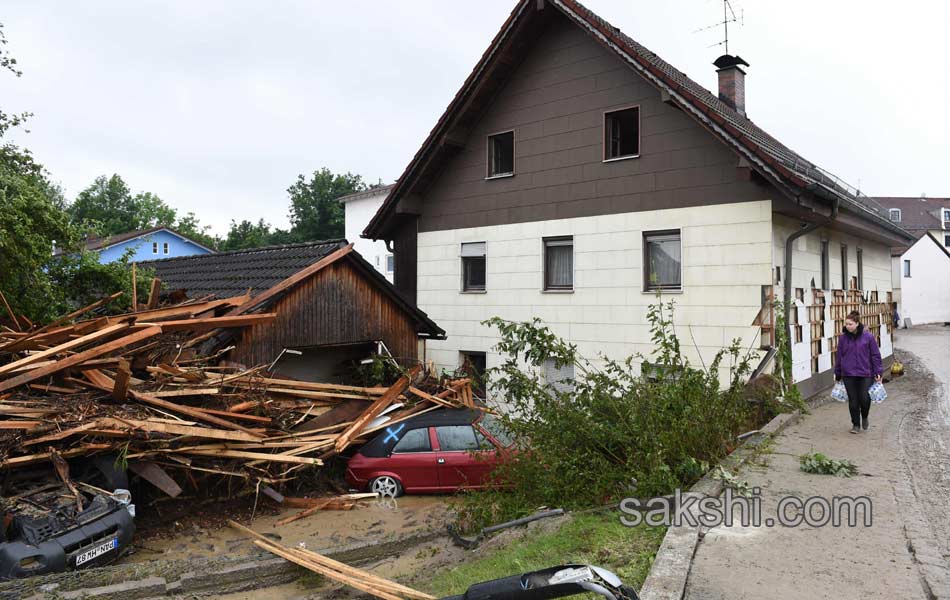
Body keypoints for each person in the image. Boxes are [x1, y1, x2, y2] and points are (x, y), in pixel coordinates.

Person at [834, 310, 883, 434]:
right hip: (849, 374)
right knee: (853, 401)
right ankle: (856, 424)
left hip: (865, 373)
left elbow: (875, 355)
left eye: (850, 324)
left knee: (865, 398)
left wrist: (878, 371)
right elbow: (839, 356)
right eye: (846, 324)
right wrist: (838, 372)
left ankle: (865, 416)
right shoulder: (843, 339)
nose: (847, 326)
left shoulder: (868, 337)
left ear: (857, 323)